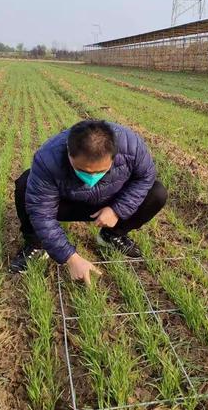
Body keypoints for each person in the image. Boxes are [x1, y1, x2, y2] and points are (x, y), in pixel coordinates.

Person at [9, 119, 167, 285]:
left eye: (100, 171)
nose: (91, 178)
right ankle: (36, 245)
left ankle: (111, 235)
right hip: (68, 203)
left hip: (109, 201)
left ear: (114, 156)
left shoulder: (132, 146)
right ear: (69, 153)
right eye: (83, 171)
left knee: (157, 193)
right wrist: (71, 258)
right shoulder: (49, 157)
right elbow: (42, 213)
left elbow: (145, 178)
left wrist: (117, 210)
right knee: (25, 185)